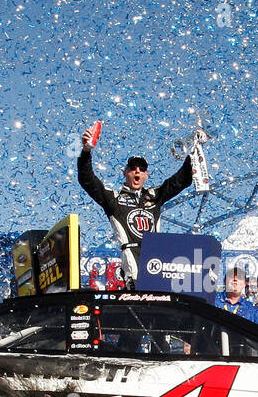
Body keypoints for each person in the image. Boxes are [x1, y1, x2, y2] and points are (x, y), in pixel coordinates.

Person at [76, 122, 194, 285]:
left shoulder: (154, 195)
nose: (137, 171)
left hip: (156, 265)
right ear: (125, 173)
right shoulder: (114, 198)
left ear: (146, 175)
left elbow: (181, 180)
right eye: (133, 168)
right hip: (132, 267)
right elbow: (87, 180)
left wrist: (195, 149)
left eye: (142, 168)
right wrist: (86, 152)